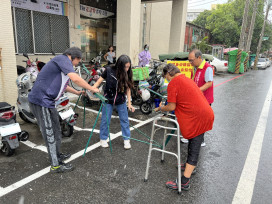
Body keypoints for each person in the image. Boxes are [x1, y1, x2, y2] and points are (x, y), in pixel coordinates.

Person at [28, 47, 99, 173]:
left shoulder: (63, 65)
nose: (77, 63)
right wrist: (92, 88)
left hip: (49, 102)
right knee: (49, 133)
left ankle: (57, 155)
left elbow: (63, 87)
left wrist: (77, 91)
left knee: (56, 129)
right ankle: (55, 165)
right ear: (72, 57)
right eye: (78, 60)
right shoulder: (63, 59)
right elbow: (76, 79)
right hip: (41, 101)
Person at [154, 63, 214, 191]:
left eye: (166, 77)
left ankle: (184, 182)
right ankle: (189, 166)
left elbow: (171, 107)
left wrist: (160, 108)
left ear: (169, 73)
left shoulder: (174, 83)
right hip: (204, 113)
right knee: (193, 142)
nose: (166, 80)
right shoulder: (186, 79)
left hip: (199, 117)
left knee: (194, 147)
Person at [93, 55, 135, 149]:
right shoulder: (108, 70)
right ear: (120, 65)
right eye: (126, 67)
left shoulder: (128, 73)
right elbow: (99, 81)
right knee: (105, 119)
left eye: (129, 67)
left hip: (121, 100)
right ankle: (103, 139)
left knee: (124, 120)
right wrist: (93, 88)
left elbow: (128, 88)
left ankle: (126, 139)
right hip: (108, 99)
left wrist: (129, 103)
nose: (127, 69)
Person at [189, 49, 214, 147]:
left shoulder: (207, 68)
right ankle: (191, 137)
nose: (190, 62)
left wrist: (197, 91)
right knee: (195, 119)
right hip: (196, 99)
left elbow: (209, 83)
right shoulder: (195, 67)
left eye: (192, 60)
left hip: (205, 99)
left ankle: (200, 140)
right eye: (189, 60)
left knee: (201, 121)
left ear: (199, 58)